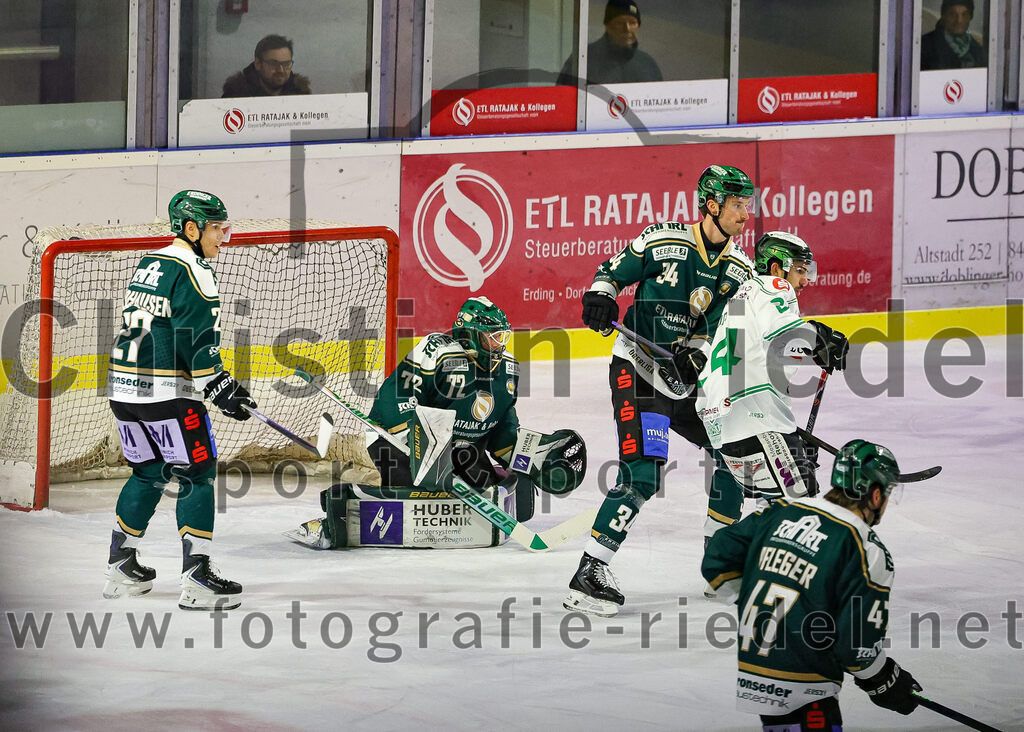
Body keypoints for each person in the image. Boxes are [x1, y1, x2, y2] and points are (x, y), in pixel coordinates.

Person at [563, 164, 758, 618]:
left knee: (735, 451)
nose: (745, 214)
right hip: (640, 373)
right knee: (645, 474)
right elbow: (611, 272)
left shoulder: (739, 269)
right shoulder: (662, 240)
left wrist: (702, 353)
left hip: (684, 382)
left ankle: (721, 565)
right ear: (711, 205)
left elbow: (731, 330)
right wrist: (601, 295)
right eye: (736, 205)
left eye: (748, 205)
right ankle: (589, 571)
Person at [293, 296, 587, 549]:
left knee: (482, 482)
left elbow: (502, 427)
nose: (498, 345)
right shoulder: (437, 351)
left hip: (461, 451)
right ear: (469, 334)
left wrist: (525, 456)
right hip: (397, 443)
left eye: (501, 337)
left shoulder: (508, 369)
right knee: (416, 497)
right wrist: (416, 437)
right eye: (491, 337)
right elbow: (394, 397)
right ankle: (341, 509)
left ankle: (454, 486)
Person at [103, 190, 257, 611]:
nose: (223, 236)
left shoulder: (151, 262)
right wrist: (220, 385)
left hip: (123, 389)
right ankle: (197, 579)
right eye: (215, 227)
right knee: (197, 474)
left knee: (149, 472)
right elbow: (196, 341)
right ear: (191, 229)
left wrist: (218, 384)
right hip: (165, 393)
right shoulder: (195, 269)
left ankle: (121, 565)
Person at [701, 439, 923, 730]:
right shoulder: (866, 548)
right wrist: (885, 679)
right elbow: (856, 647)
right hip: (808, 684)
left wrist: (751, 598)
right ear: (877, 495)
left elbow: (717, 555)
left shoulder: (781, 510)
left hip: (756, 674)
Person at [696, 231, 850, 511]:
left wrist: (788, 431)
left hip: (726, 432)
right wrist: (819, 338)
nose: (806, 279)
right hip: (754, 422)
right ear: (777, 267)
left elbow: (767, 351)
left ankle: (727, 550)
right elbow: (779, 328)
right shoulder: (774, 286)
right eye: (800, 270)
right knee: (803, 514)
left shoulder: (741, 299)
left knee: (776, 512)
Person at [557, 0, 662, 86]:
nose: (627, 29)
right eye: (620, 23)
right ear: (608, 26)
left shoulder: (647, 65)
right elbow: (562, 100)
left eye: (632, 23)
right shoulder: (584, 60)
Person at [222, 34, 312, 97]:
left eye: (286, 64)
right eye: (274, 64)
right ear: (258, 64)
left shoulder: (300, 92)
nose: (281, 70)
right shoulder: (236, 94)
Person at [920, 0, 985, 70]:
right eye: (953, 14)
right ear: (943, 16)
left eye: (964, 14)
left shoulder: (978, 51)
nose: (959, 20)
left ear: (970, 17)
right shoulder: (924, 46)